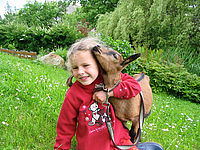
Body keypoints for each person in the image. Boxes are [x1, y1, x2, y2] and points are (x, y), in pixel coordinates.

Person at [54, 37, 142, 150]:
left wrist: (109, 93)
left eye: (86, 65)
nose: (80, 72)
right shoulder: (73, 94)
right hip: (93, 146)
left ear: (99, 64)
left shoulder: (108, 80)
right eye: (75, 68)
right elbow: (65, 127)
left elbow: (135, 87)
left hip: (120, 143)